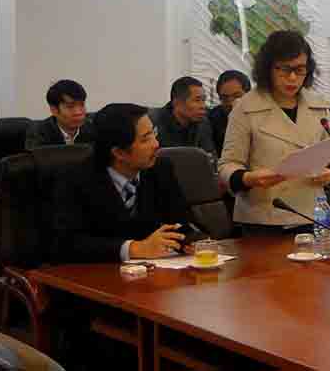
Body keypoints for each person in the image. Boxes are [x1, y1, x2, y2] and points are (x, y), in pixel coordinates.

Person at [219, 30, 330, 227]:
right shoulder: (245, 108)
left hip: (313, 214)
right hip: (264, 218)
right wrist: (248, 178)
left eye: (300, 69)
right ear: (268, 68)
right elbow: (227, 165)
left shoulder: (318, 105)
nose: (292, 77)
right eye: (284, 69)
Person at [52, 103, 193, 263]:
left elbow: (181, 221)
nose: (156, 144)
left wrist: (189, 240)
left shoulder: (160, 168)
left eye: (154, 133)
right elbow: (66, 244)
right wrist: (133, 248)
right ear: (119, 153)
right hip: (97, 272)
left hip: (155, 270)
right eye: (145, 139)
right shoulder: (75, 179)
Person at [149, 77, 216, 154]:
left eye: (203, 100)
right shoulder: (153, 122)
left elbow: (209, 156)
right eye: (197, 100)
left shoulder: (203, 123)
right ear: (176, 102)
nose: (203, 106)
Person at [26, 79, 96, 149]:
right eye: (70, 107)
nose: (78, 112)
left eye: (82, 105)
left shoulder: (93, 129)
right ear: (54, 110)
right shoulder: (38, 133)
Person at [208, 70, 251, 152]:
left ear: (249, 95)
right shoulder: (211, 121)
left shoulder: (261, 117)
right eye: (225, 98)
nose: (231, 102)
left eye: (237, 96)